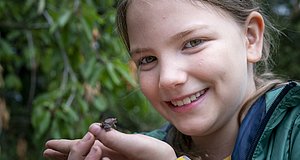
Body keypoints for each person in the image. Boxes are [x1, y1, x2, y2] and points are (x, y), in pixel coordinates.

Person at [43, 0, 300, 159]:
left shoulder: (294, 133)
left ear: (251, 38)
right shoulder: (137, 153)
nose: (167, 79)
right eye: (147, 60)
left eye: (193, 43)